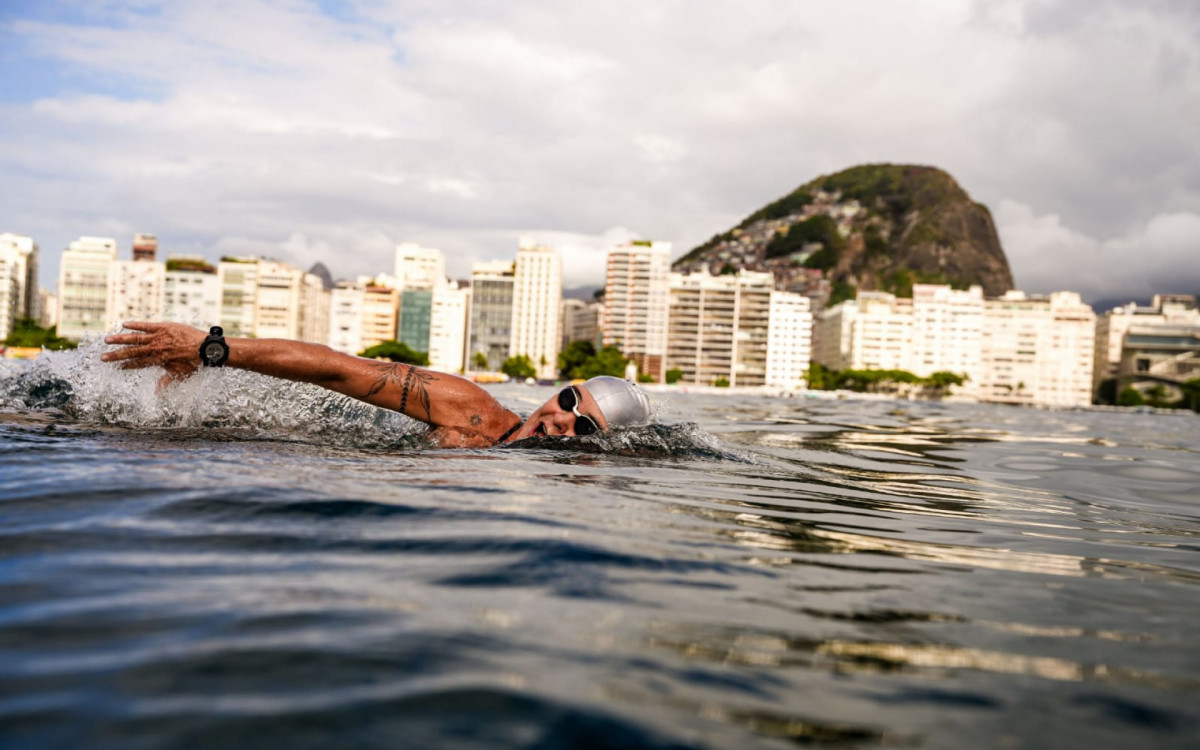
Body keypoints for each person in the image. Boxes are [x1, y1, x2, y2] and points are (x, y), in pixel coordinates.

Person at [100, 321, 652, 448]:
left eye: (582, 425)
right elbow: (338, 367)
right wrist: (212, 349)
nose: (559, 418)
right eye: (568, 399)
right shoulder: (473, 412)